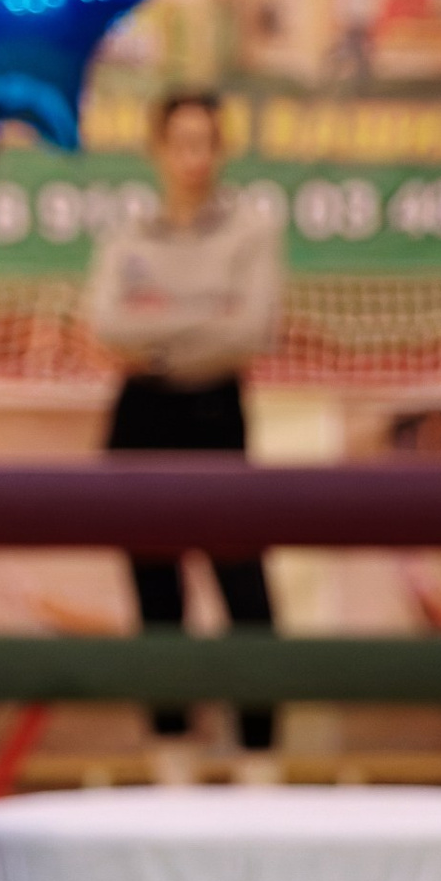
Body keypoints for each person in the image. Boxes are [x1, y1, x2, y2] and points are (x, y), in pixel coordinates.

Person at [85, 86, 286, 780]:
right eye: (181, 143)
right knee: (156, 597)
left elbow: (250, 329)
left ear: (221, 150)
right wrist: (204, 317)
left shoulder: (252, 231)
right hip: (140, 416)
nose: (194, 158)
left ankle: (260, 761)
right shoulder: (127, 237)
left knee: (246, 592)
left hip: (217, 415)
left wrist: (160, 329)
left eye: (207, 143)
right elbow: (109, 326)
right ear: (158, 150)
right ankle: (171, 763)